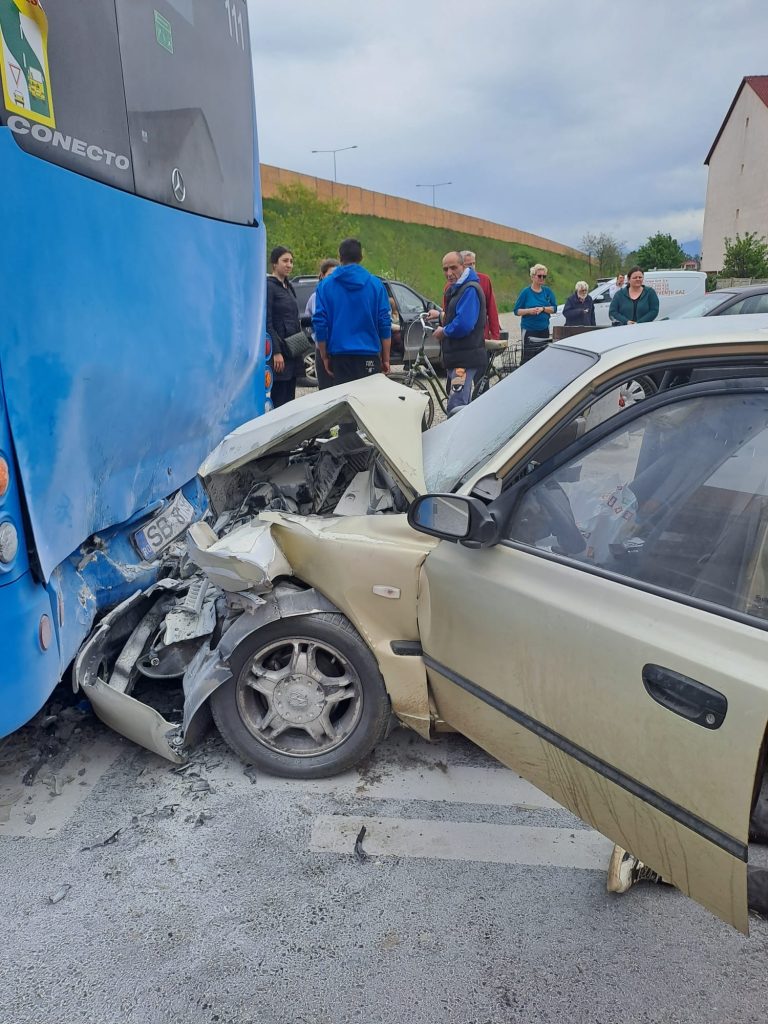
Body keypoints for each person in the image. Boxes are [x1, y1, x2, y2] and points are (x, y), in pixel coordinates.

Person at [312, 237, 391, 385]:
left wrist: (324, 356)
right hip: (369, 355)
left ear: (340, 257)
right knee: (366, 405)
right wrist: (385, 358)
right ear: (361, 257)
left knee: (342, 404)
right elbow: (384, 323)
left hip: (339, 357)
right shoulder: (376, 285)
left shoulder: (325, 285)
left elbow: (320, 322)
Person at [426, 251, 486, 414]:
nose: (449, 273)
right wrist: (440, 316)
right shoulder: (458, 288)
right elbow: (457, 315)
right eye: (445, 269)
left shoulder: (469, 289)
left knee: (457, 407)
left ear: (463, 266)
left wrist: (444, 331)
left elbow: (464, 324)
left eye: (453, 268)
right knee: (457, 402)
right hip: (459, 356)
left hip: (465, 358)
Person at [266, 245, 301, 407]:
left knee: (290, 400)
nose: (289, 265)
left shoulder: (289, 287)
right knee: (279, 399)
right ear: (274, 264)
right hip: (280, 353)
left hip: (292, 351)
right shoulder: (269, 286)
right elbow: (267, 322)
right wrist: (276, 351)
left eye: (291, 261)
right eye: (285, 261)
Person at [304, 258, 339, 390]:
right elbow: (312, 320)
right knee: (326, 389)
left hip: (341, 349)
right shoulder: (316, 297)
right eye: (330, 276)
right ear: (322, 276)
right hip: (323, 349)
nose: (333, 280)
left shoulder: (343, 296)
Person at [514, 264, 557, 362]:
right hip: (529, 330)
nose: (542, 278)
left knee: (542, 358)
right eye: (539, 276)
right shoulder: (526, 292)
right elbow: (516, 311)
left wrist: (543, 308)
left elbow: (554, 308)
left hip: (544, 329)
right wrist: (529, 311)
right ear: (533, 276)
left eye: (544, 276)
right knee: (528, 358)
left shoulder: (548, 291)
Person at [460, 250, 501, 340]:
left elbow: (492, 309)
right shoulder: (453, 284)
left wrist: (495, 335)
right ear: (461, 265)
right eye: (468, 264)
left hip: (482, 335)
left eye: (473, 263)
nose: (472, 267)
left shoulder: (484, 280)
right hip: (461, 335)